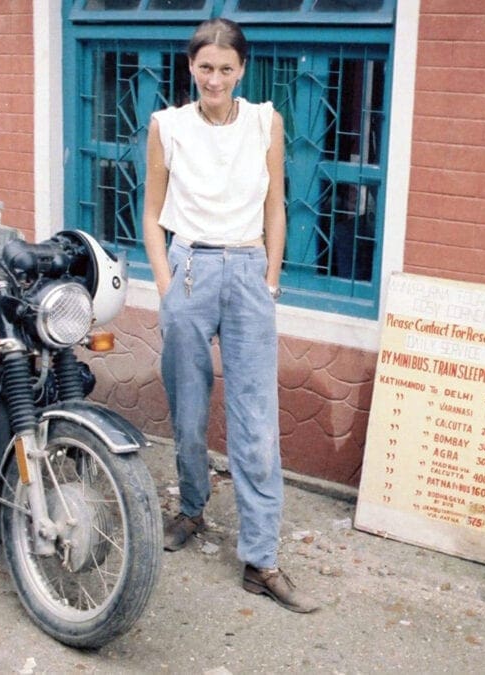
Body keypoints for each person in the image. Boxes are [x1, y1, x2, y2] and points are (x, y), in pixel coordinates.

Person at [142, 18, 318, 614]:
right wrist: (166, 286)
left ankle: (261, 559)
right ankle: (192, 508)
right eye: (204, 67)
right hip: (189, 270)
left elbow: (276, 206)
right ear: (190, 67)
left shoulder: (266, 122)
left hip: (247, 272)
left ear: (242, 69)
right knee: (189, 412)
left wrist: (269, 279)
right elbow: (151, 214)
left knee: (256, 422)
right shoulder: (167, 126)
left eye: (225, 68)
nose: (214, 79)